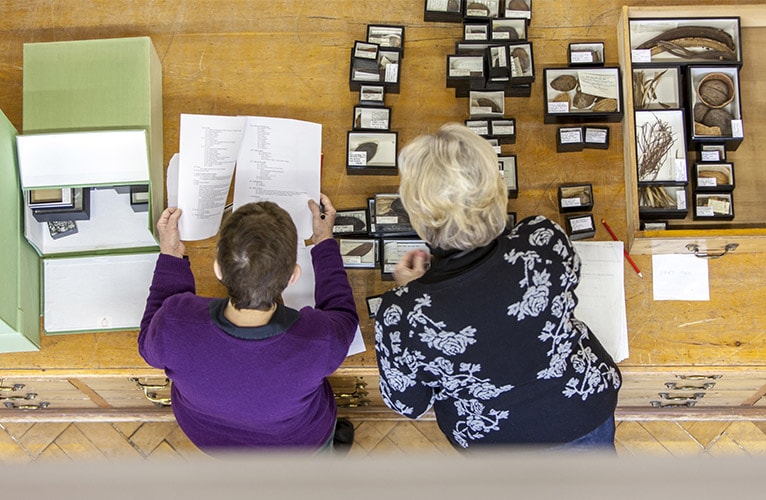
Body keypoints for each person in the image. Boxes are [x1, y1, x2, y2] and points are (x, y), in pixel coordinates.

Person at [374, 123, 621, 451]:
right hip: (583, 408)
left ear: (418, 217)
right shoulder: (541, 239)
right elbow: (568, 278)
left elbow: (408, 404)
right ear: (497, 189)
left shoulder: (401, 315)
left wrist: (415, 294)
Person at [139, 195, 359, 452]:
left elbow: (149, 343)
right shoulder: (318, 341)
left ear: (218, 270)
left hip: (212, 438)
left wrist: (171, 255)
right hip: (296, 443)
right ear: (293, 277)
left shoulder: (174, 323)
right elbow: (343, 314)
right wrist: (323, 242)